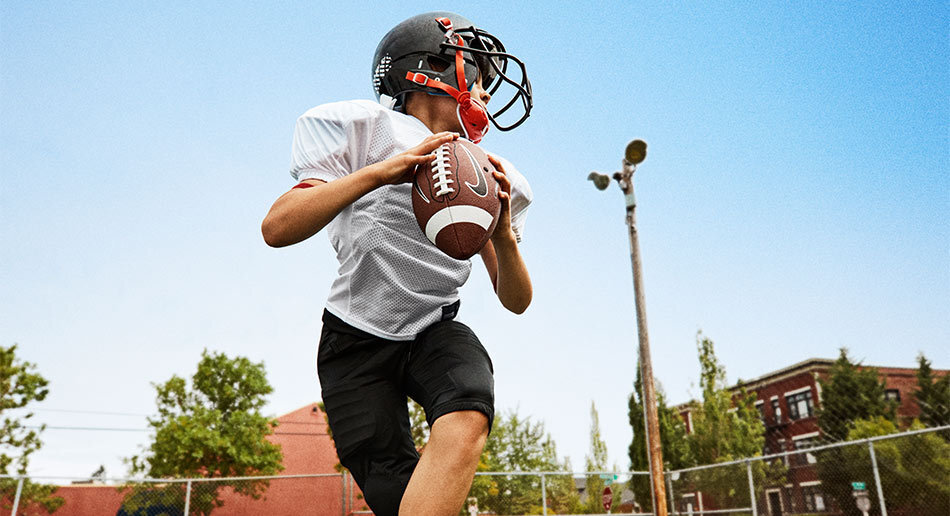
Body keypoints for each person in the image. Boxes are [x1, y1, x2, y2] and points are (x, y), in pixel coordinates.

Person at [261, 11, 534, 516]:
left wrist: (503, 234)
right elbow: (277, 227)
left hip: (433, 325)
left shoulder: (493, 172)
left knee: (469, 403)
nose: (487, 94)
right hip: (354, 338)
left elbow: (516, 300)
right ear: (429, 66)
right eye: (477, 73)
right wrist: (381, 172)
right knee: (395, 496)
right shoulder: (365, 129)